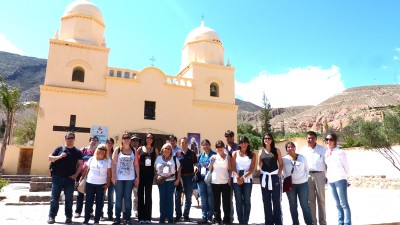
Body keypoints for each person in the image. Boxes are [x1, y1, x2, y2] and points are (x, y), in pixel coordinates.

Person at [47, 132, 83, 224]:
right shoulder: (59, 149)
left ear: (74, 139)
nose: (69, 139)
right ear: (65, 139)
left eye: (71, 138)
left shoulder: (77, 152)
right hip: (57, 177)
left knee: (69, 199)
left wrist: (75, 175)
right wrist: (59, 156)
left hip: (69, 179)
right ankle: (52, 216)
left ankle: (68, 217)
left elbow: (80, 165)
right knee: (54, 198)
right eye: (68, 138)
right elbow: (50, 158)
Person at [112, 132, 140, 225]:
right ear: (122, 140)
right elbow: (114, 164)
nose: (127, 139)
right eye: (125, 138)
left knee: (128, 198)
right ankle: (117, 218)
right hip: (119, 178)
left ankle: (128, 218)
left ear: (130, 140)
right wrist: (113, 176)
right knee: (118, 198)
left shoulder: (134, 150)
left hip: (130, 178)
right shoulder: (118, 150)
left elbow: (136, 164)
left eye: (128, 138)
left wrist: (138, 177)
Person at [81, 144, 112, 225]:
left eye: (104, 149)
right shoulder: (91, 159)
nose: (101, 150)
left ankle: (96, 220)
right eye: (100, 149)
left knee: (99, 203)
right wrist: (80, 180)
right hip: (90, 184)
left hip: (101, 185)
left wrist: (107, 184)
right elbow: (85, 170)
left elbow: (109, 174)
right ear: (97, 150)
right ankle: (86, 219)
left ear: (106, 151)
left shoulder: (108, 161)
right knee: (88, 203)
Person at [283, 142, 312, 225]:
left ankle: (309, 223)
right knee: (293, 206)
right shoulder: (284, 159)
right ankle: (295, 223)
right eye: (288, 147)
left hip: (303, 185)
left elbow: (307, 169)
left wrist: (303, 179)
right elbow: (282, 171)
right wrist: (286, 178)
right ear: (286, 149)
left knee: (305, 205)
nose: (290, 148)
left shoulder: (302, 158)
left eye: (292, 147)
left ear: (295, 148)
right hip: (290, 186)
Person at [301, 131, 327, 225]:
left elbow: (326, 164)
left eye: (312, 138)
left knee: (321, 200)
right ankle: (313, 222)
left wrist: (326, 176)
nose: (310, 140)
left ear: (316, 139)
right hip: (308, 176)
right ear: (306, 139)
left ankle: (323, 222)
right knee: (310, 200)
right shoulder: (303, 150)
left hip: (320, 175)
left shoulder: (322, 149)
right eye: (309, 138)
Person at [325, 133, 351, 225]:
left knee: (344, 204)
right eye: (326, 139)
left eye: (330, 139)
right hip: (331, 181)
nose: (328, 141)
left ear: (335, 141)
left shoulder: (340, 152)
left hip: (340, 179)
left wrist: (344, 177)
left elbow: (346, 167)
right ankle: (340, 223)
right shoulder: (327, 153)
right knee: (337, 205)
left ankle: (347, 223)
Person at [258, 133, 283, 225]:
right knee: (266, 200)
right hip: (264, 178)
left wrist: (279, 172)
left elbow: (281, 164)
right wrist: (258, 169)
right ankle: (268, 222)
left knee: (276, 200)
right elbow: (258, 163)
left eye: (268, 138)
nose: (267, 140)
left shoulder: (276, 151)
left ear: (271, 140)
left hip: (274, 177)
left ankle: (278, 222)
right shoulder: (261, 151)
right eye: (265, 138)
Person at [231, 136, 256, 225]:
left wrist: (243, 177)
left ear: (248, 143)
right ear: (239, 144)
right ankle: (240, 221)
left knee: (247, 201)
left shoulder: (252, 154)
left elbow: (252, 168)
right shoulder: (235, 153)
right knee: (238, 200)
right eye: (241, 142)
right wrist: (238, 177)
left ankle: (245, 221)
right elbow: (233, 167)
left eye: (245, 142)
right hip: (236, 179)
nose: (243, 144)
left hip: (247, 179)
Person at [155, 143, 181, 224]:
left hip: (171, 181)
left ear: (171, 151)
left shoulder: (174, 158)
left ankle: (170, 218)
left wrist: (177, 180)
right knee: (162, 199)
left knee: (170, 200)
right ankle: (162, 218)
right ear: (162, 150)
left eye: (169, 149)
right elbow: (154, 168)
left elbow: (179, 169)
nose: (167, 150)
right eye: (165, 148)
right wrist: (156, 176)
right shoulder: (158, 158)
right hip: (161, 181)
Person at [75, 136, 99, 218]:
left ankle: (90, 211)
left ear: (97, 142)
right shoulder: (83, 150)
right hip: (81, 175)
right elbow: (77, 162)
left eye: (95, 140)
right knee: (79, 193)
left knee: (91, 195)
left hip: (92, 176)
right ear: (89, 141)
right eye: (92, 140)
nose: (93, 141)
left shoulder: (98, 152)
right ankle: (78, 211)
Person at [137, 133, 159, 224]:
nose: (149, 139)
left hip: (150, 176)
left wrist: (156, 174)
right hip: (141, 175)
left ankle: (148, 218)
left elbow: (156, 163)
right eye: (148, 137)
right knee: (140, 196)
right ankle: (141, 218)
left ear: (153, 139)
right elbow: (136, 161)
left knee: (148, 196)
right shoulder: (140, 149)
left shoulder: (155, 150)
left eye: (151, 138)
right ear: (145, 139)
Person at [175, 137, 197, 222]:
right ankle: (178, 215)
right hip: (179, 177)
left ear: (188, 143)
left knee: (188, 197)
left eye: (185, 142)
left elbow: (195, 163)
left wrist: (195, 167)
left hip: (189, 177)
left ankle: (186, 215)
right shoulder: (177, 154)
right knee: (177, 197)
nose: (184, 144)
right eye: (182, 143)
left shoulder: (192, 153)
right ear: (180, 144)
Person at [209, 140, 232, 225]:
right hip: (215, 182)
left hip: (225, 182)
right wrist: (211, 161)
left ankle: (226, 219)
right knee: (216, 202)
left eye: (221, 146)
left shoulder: (227, 157)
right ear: (216, 148)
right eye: (218, 147)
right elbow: (210, 168)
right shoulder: (213, 157)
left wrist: (230, 179)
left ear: (223, 147)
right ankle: (217, 219)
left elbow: (230, 169)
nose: (219, 148)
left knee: (226, 202)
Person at [196, 139, 216, 224]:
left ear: (210, 145)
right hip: (201, 179)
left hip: (210, 180)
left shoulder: (214, 155)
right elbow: (197, 165)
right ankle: (204, 217)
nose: (205, 146)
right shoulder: (200, 155)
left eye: (207, 144)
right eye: (203, 145)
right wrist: (196, 167)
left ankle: (210, 216)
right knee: (203, 199)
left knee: (210, 198)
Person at [224, 130, 238, 223]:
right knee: (228, 198)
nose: (228, 138)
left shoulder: (238, 147)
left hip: (236, 175)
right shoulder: (223, 147)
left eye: (230, 136)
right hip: (226, 176)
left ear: (233, 137)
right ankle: (230, 217)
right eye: (227, 137)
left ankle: (242, 218)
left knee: (239, 198)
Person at [103, 138, 115, 221]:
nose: (110, 144)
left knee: (111, 197)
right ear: (106, 143)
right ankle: (100, 213)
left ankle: (110, 214)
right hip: (103, 178)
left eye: (111, 143)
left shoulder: (115, 153)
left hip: (112, 179)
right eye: (108, 143)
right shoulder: (102, 153)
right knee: (101, 197)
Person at [130, 134, 141, 218]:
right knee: (126, 195)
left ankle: (135, 210)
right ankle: (126, 211)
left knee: (136, 195)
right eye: (133, 140)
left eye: (137, 140)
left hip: (136, 176)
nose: (135, 142)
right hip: (128, 176)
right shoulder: (128, 151)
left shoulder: (140, 151)